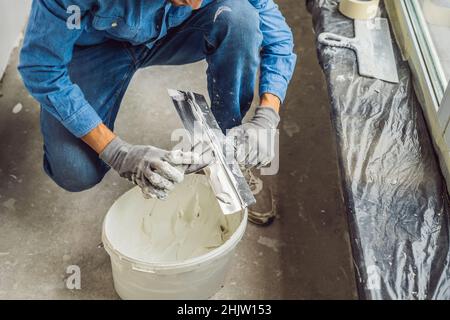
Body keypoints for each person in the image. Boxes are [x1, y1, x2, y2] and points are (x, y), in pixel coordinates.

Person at [19, 0, 296, 225]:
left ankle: (224, 154)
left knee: (241, 19)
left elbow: (279, 40)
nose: (195, 2)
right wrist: (116, 151)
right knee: (76, 172)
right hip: (94, 49)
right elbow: (41, 67)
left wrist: (267, 116)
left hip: (172, 34)